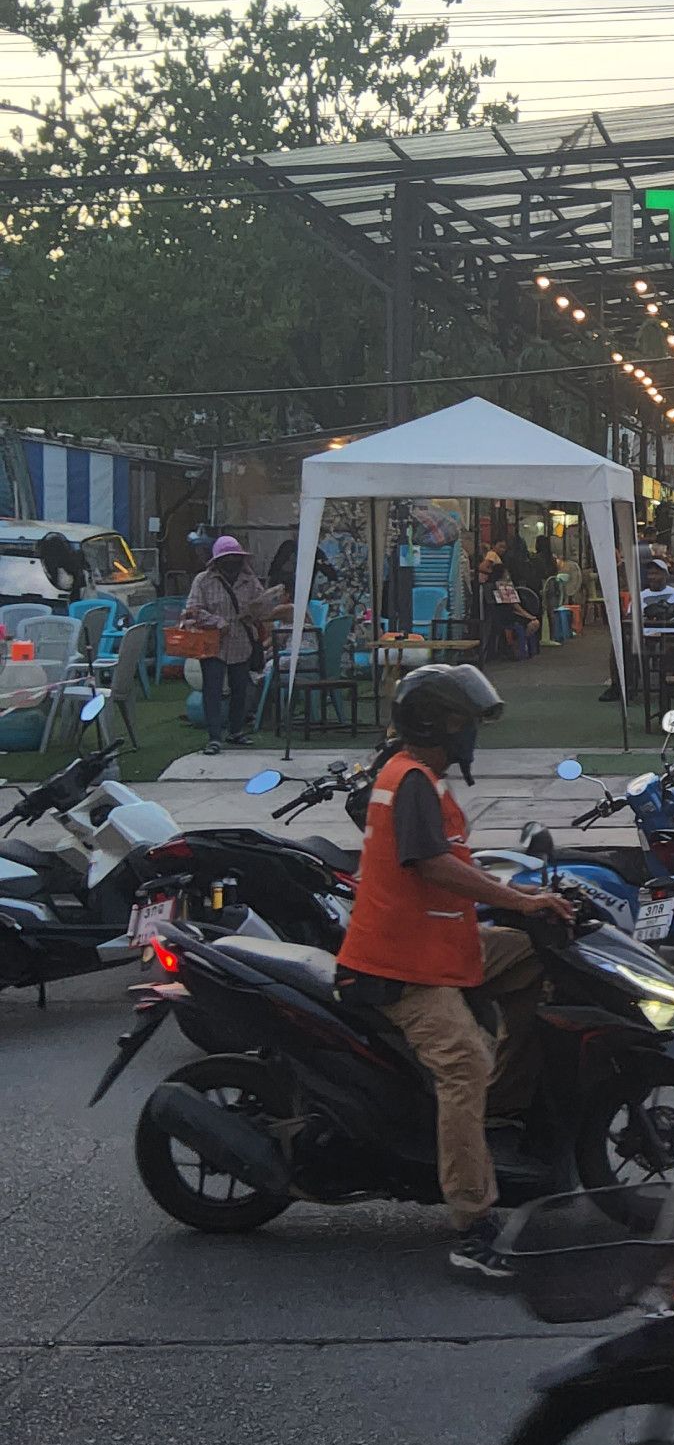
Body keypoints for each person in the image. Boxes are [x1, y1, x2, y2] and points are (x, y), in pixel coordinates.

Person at [334, 665, 573, 1279]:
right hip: (400, 963)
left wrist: (528, 906)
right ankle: (472, 1225)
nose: (471, 736)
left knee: (533, 957)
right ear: (435, 724)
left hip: (437, 942)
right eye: (465, 722)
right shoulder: (411, 780)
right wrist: (518, 900)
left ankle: (505, 1104)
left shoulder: (417, 776)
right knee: (465, 1063)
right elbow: (432, 865)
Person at [180, 535, 277, 753]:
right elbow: (192, 610)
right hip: (213, 642)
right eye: (228, 557)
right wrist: (216, 621)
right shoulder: (203, 581)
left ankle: (236, 731)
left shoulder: (249, 581)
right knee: (212, 689)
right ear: (218, 560)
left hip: (241, 641)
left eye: (236, 557)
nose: (232, 561)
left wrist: (257, 610)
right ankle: (214, 736)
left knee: (240, 689)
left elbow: (262, 608)